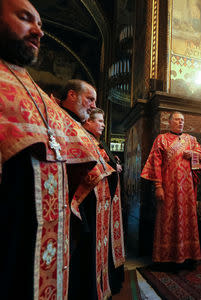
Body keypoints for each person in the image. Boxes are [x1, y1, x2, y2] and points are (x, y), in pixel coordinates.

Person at [0, 1, 97, 298]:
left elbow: (85, 156)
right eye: (25, 18)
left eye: (40, 23)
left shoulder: (38, 96)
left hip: (47, 243)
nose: (38, 31)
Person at [60, 80, 116, 300]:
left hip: (89, 208)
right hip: (71, 207)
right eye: (89, 99)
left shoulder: (79, 128)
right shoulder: (65, 121)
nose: (93, 105)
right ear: (72, 95)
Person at [141, 111, 201, 265]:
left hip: (188, 188)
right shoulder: (161, 139)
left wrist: (193, 154)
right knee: (167, 218)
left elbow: (200, 155)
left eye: (182, 120)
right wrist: (158, 186)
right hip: (168, 187)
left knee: (187, 217)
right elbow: (155, 164)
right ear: (169, 122)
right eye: (176, 119)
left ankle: (188, 256)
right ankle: (166, 258)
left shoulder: (191, 139)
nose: (180, 122)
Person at [83, 108, 126, 295]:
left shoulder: (99, 142)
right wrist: (111, 166)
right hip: (92, 205)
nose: (102, 125)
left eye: (103, 121)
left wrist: (113, 163)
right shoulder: (85, 140)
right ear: (88, 122)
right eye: (99, 121)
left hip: (106, 204)